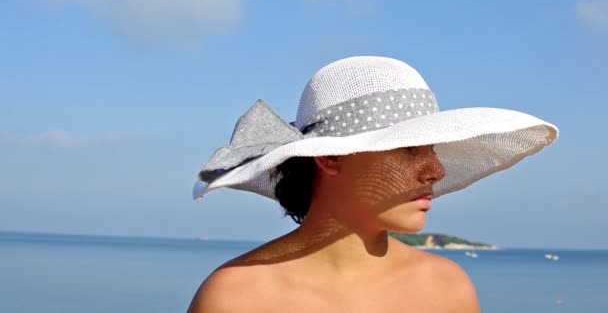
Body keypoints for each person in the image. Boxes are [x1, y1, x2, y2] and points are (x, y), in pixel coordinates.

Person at [187, 56, 558, 312]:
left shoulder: (447, 289)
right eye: (410, 149)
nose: (436, 170)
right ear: (330, 157)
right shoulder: (237, 298)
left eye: (432, 149)